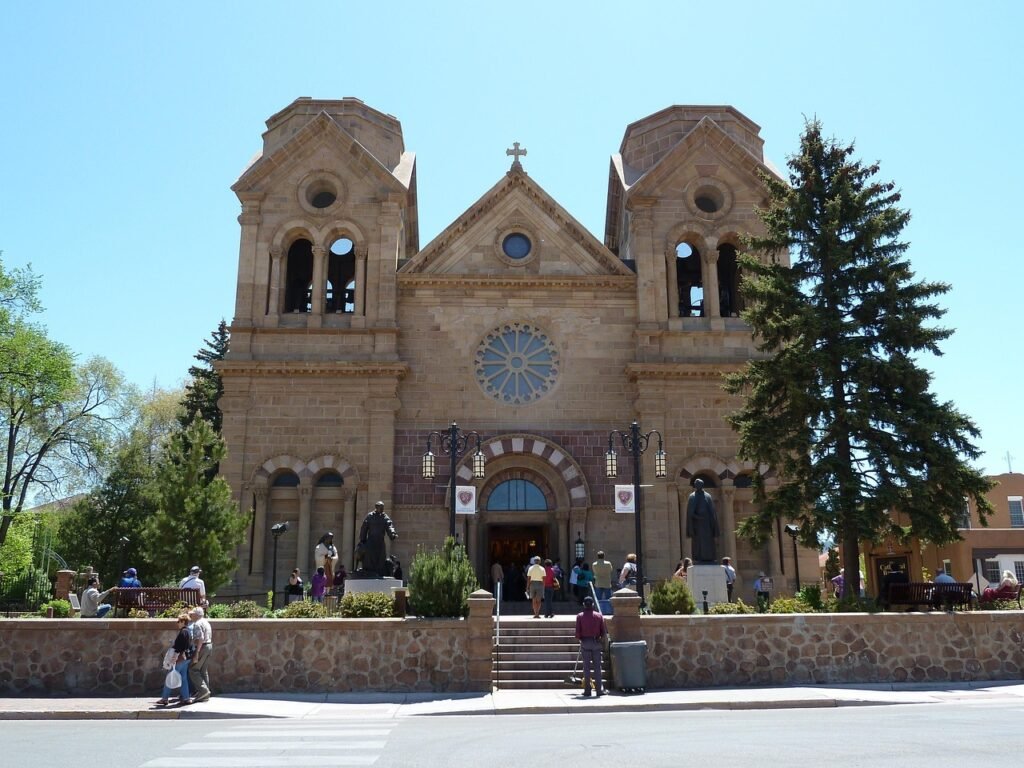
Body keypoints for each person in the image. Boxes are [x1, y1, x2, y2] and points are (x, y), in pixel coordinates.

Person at [156, 613, 193, 707]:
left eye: (179, 621)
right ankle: (186, 698)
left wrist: (174, 658)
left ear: (183, 622)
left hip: (180, 658)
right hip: (186, 658)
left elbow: (179, 647)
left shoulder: (182, 632)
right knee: (184, 678)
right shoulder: (188, 631)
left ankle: (164, 698)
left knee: (170, 676)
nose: (177, 623)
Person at [575, 596, 607, 698]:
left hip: (585, 642)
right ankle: (599, 690)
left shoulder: (579, 616)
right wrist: (600, 639)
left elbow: (577, 632)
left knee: (586, 668)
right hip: (596, 642)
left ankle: (587, 691)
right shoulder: (599, 616)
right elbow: (603, 632)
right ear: (593, 604)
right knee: (597, 667)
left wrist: (581, 639)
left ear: (584, 604)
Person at [357, 501, 398, 577]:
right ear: (376, 508)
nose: (382, 509)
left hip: (380, 541)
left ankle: (379, 573)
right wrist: (362, 540)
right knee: (369, 557)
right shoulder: (370, 516)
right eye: (381, 507)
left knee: (381, 557)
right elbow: (364, 528)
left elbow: (389, 525)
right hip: (371, 541)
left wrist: (392, 533)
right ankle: (368, 572)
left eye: (383, 508)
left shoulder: (384, 517)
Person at [686, 479, 719, 563]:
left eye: (698, 484)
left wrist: (713, 523)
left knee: (708, 541)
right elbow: (690, 512)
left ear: (702, 485)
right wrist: (697, 517)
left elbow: (712, 510)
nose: (697, 486)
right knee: (698, 541)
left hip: (707, 522)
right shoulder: (692, 496)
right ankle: (698, 558)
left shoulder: (708, 496)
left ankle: (709, 558)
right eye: (696, 484)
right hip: (697, 523)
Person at [187, 606, 213, 703]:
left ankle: (203, 691)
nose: (191, 616)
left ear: (196, 615)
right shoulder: (206, 622)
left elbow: (200, 639)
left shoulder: (197, 624)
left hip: (202, 647)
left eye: (192, 614)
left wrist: (197, 653)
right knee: (203, 670)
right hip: (209, 646)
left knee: (193, 669)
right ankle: (205, 693)